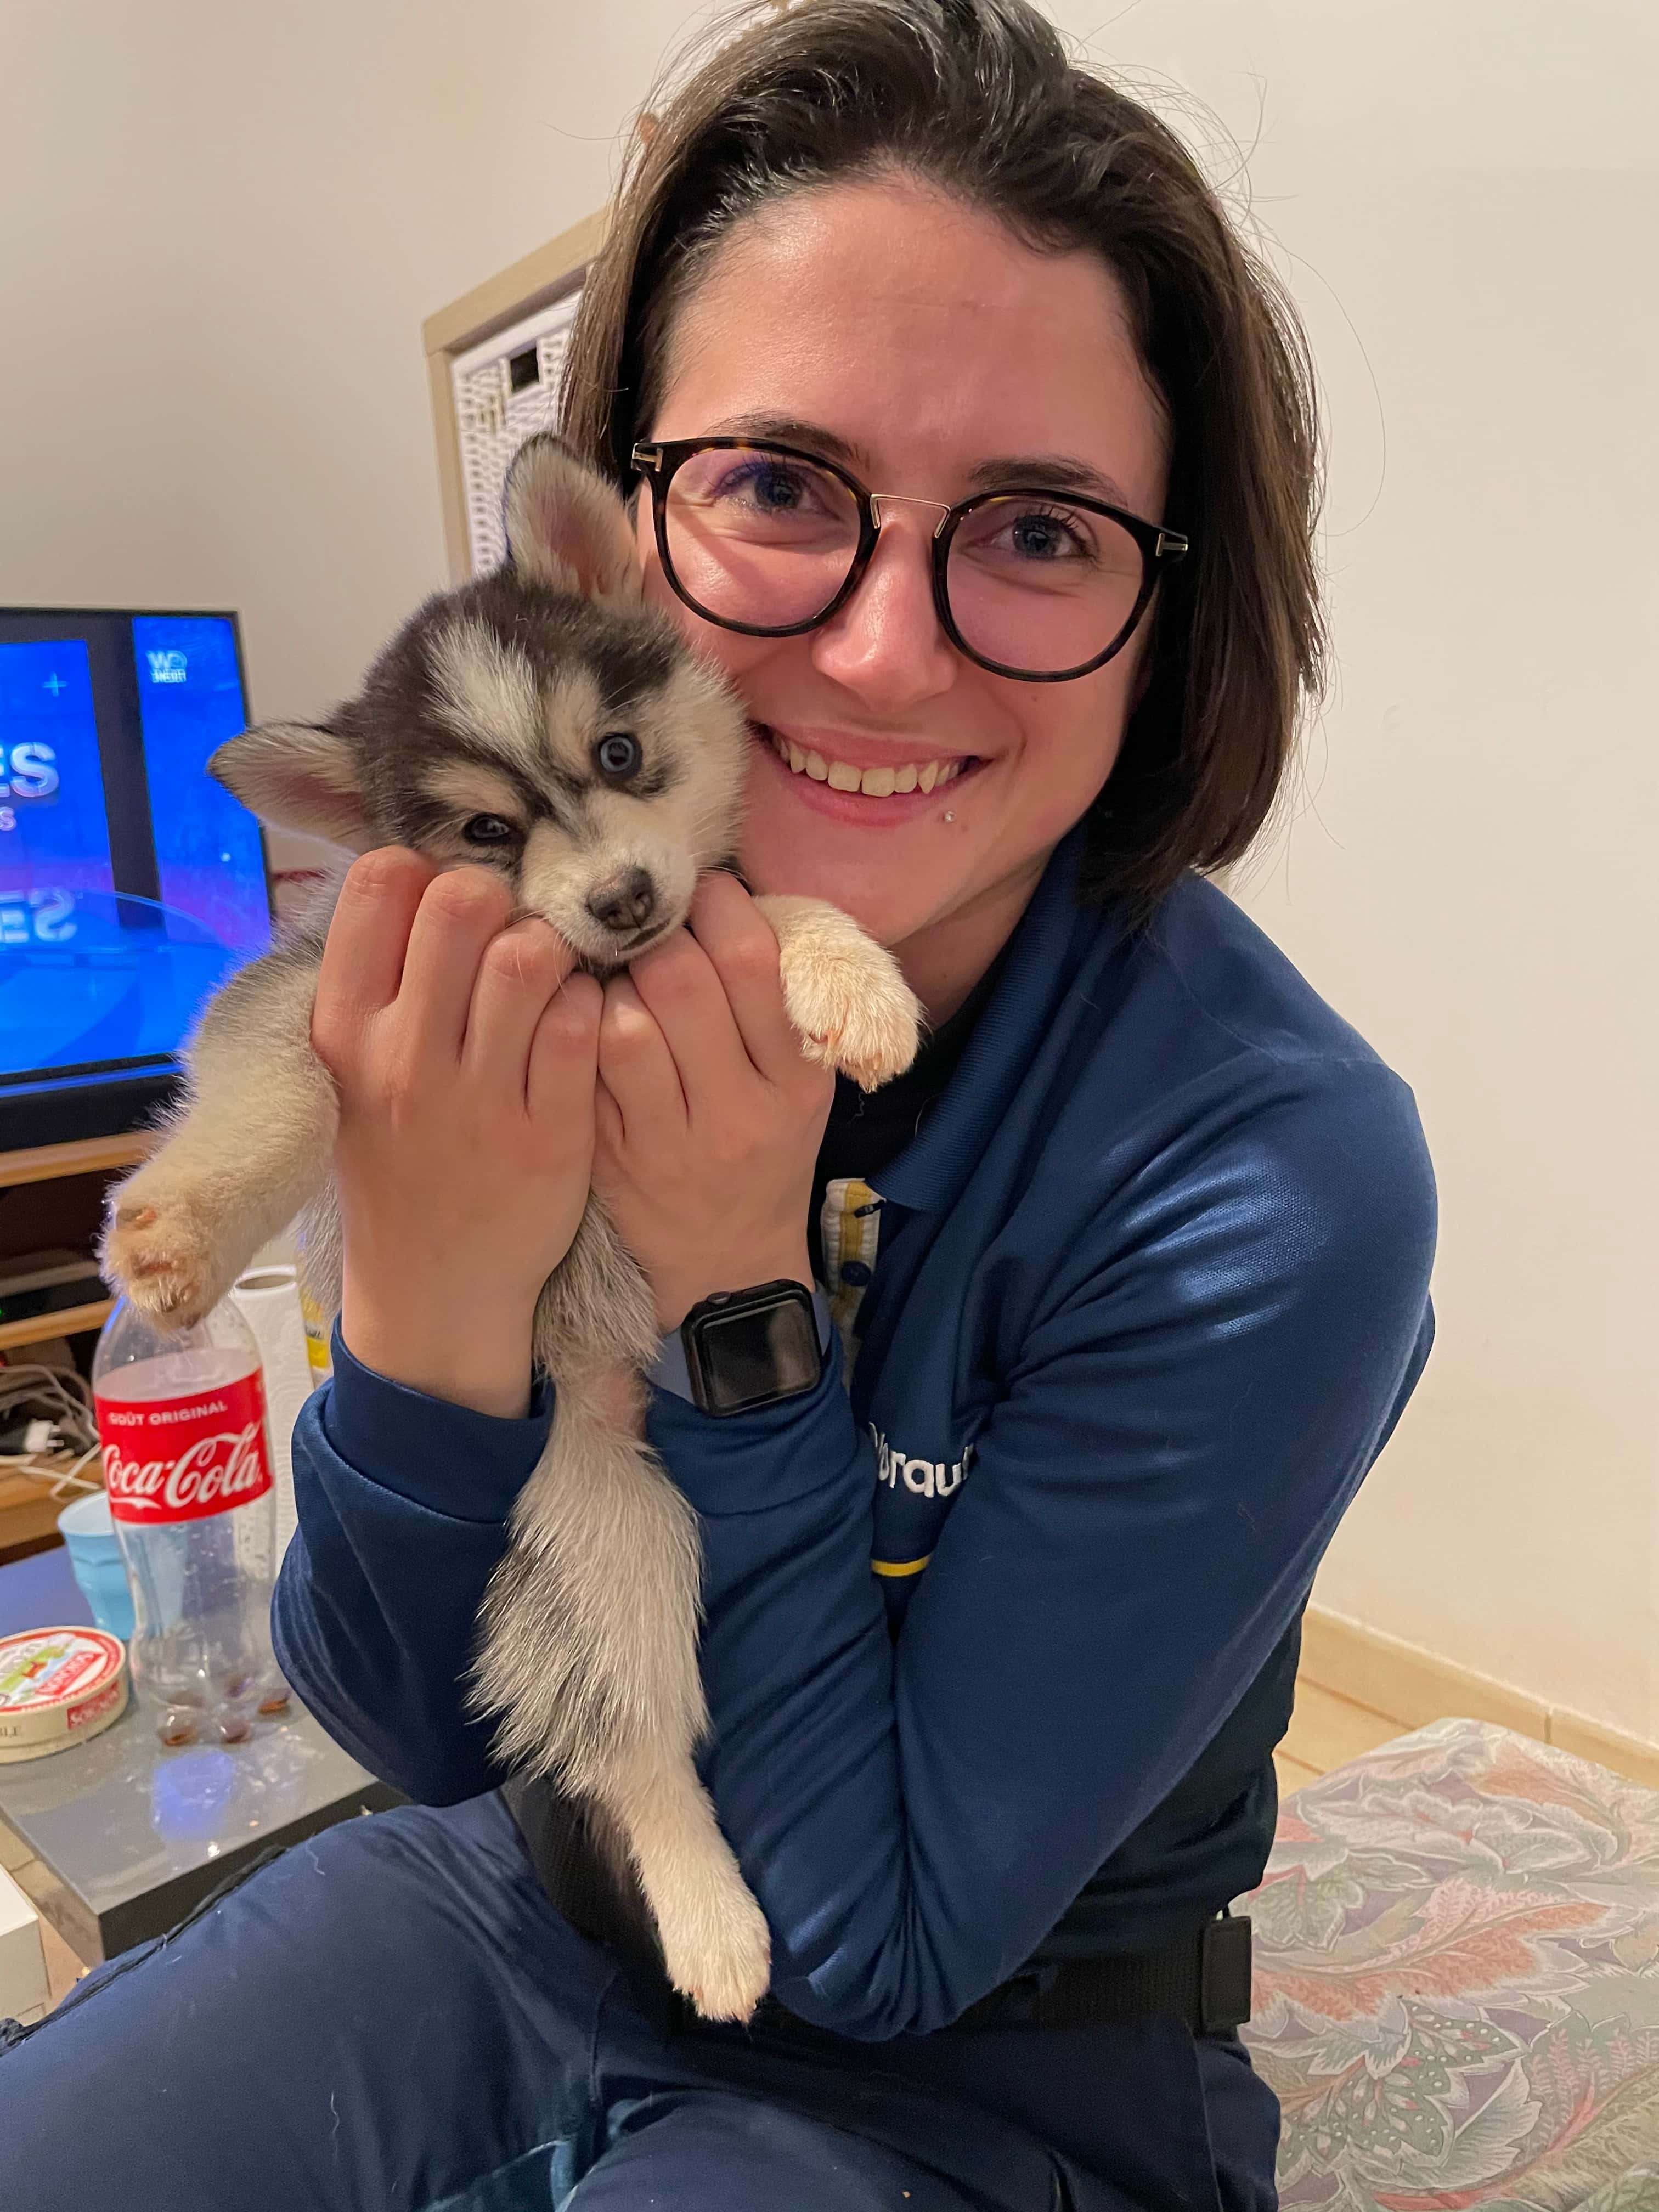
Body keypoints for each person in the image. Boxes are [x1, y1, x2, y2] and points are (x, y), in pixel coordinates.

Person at [3, 3, 1436, 2206]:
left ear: (1177, 612)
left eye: (1040, 530)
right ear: (619, 542)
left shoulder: (1265, 1172)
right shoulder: (510, 968)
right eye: (780, 487)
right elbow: (401, 1715)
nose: (880, 651)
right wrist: (432, 1295)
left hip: (998, 2066)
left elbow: (877, 1949)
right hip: (520, 1896)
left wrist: (732, 1296)